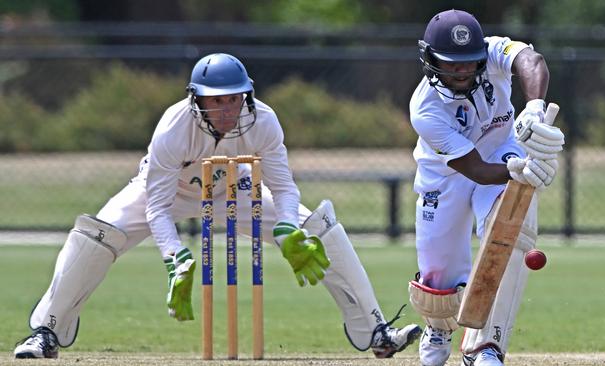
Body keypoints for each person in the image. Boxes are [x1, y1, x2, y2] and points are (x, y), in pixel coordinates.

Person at [14, 53, 421, 359]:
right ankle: (47, 330)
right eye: (218, 101)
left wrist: (287, 229)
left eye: (235, 99)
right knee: (96, 234)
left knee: (318, 227)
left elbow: (283, 186)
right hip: (169, 191)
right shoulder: (173, 130)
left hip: (237, 190)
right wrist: (175, 257)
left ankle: (376, 332)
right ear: (197, 101)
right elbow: (156, 207)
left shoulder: (263, 120)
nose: (228, 110)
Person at [406, 9, 564, 366]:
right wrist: (521, 169)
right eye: (452, 64)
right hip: (447, 174)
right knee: (438, 280)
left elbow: (532, 61)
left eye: (469, 62)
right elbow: (475, 168)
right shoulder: (425, 109)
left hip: (501, 147)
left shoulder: (493, 52)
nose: (463, 71)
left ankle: (485, 346)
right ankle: (439, 326)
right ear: (430, 60)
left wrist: (534, 109)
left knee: (510, 233)